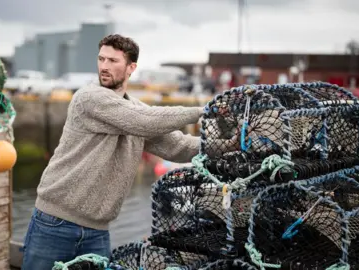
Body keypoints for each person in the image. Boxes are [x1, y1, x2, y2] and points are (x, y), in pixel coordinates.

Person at [21, 34, 239, 269]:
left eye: (113, 61)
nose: (104, 66)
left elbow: (178, 146)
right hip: (54, 223)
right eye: (101, 59)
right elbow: (143, 120)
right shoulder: (88, 98)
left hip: (98, 231)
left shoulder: (136, 112)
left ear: (131, 67)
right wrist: (202, 112)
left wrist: (228, 145)